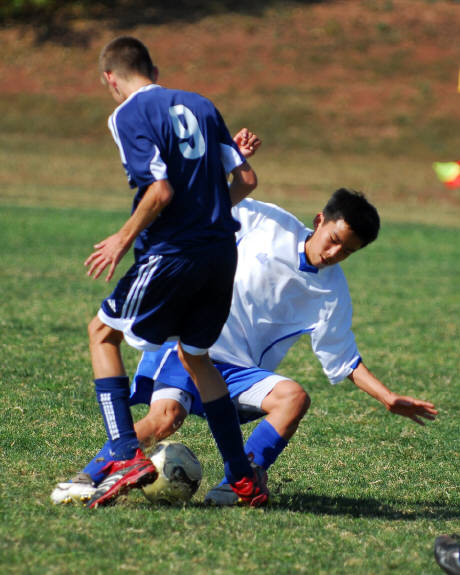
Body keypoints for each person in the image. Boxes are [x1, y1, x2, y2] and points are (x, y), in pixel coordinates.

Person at [52, 187, 437, 506]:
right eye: (334, 240)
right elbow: (213, 200)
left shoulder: (332, 292)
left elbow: (344, 358)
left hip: (237, 371)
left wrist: (387, 397)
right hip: (190, 344)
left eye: (348, 251)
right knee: (165, 419)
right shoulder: (268, 222)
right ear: (320, 220)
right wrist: (230, 166)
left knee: (293, 399)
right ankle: (87, 477)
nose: (334, 254)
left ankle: (236, 483)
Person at [82, 35, 268, 509]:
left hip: (173, 252)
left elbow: (160, 190)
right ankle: (243, 478)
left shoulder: (126, 114)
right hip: (221, 253)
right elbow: (246, 179)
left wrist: (123, 238)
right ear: (155, 71)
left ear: (110, 78)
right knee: (196, 357)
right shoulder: (201, 104)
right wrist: (207, 212)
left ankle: (125, 454)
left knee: (101, 333)